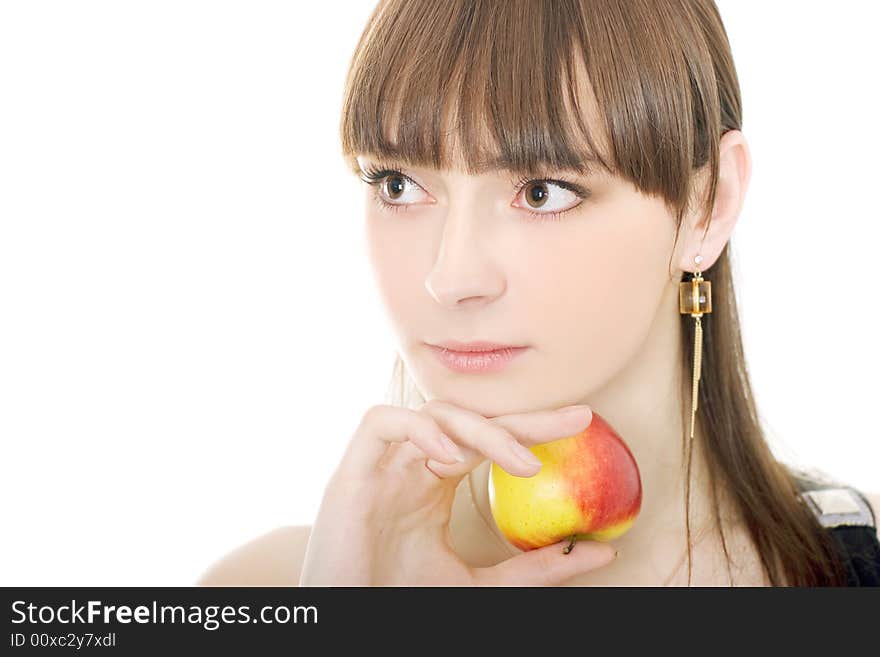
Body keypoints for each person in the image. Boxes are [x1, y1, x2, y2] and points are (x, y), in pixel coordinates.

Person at [197, 0, 879, 586]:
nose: (451, 276)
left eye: (541, 191)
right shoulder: (279, 587)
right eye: (398, 183)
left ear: (707, 205)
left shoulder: (856, 567)